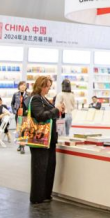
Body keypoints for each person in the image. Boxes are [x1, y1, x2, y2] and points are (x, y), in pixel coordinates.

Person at [23, 76, 64, 204]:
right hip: (40, 139)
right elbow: (40, 116)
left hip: (48, 139)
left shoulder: (43, 98)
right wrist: (56, 110)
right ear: (41, 86)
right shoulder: (36, 98)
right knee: (40, 169)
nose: (49, 89)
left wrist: (58, 111)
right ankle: (37, 197)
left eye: (50, 86)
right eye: (47, 86)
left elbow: (48, 114)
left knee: (49, 167)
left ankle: (45, 194)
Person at [12, 81, 30, 154]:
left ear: (26, 87)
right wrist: (14, 111)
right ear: (19, 86)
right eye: (21, 85)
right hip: (18, 114)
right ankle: (20, 145)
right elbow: (12, 103)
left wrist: (29, 111)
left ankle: (22, 147)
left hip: (25, 114)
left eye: (24, 85)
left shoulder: (29, 94)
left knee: (24, 130)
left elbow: (30, 104)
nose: (23, 86)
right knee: (19, 130)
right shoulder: (15, 94)